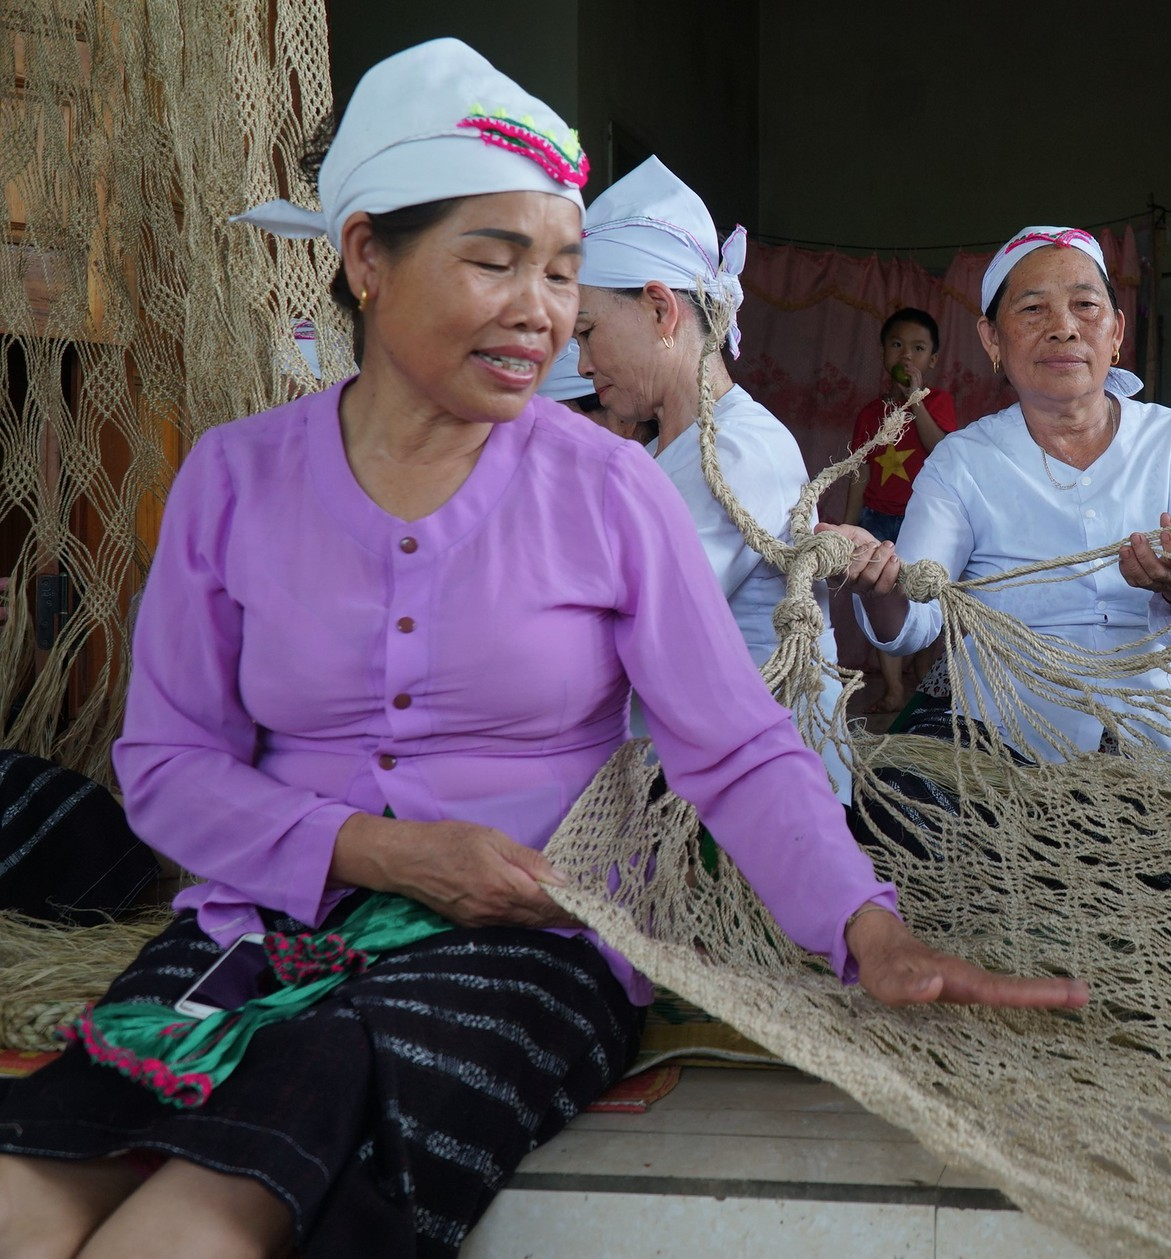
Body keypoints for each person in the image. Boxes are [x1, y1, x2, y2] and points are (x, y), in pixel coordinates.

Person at [0, 41, 1082, 1259]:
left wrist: (864, 926)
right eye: (494, 260)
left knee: (197, 1221)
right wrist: (379, 847)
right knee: (29, 1194)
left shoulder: (609, 489)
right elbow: (165, 765)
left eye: (564, 273)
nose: (543, 312)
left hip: (527, 941)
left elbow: (732, 745)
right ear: (366, 257)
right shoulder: (234, 482)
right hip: (253, 923)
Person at [822, 226, 1171, 763]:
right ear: (992, 340)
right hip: (999, 752)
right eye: (1033, 310)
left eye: (1085, 306)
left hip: (1154, 745)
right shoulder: (962, 460)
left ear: (1115, 334)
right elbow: (916, 623)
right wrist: (879, 584)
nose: (1064, 328)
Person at [572, 156, 851, 800]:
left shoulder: (740, 450)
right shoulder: (658, 454)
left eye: (588, 333)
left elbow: (637, 618)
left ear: (661, 311)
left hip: (754, 800)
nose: (582, 364)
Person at [843, 308, 959, 715]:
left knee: (922, 604)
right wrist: (850, 520)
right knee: (882, 600)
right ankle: (893, 689)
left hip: (921, 522)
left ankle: (921, 683)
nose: (906, 356)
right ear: (882, 352)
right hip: (877, 519)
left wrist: (916, 403)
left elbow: (942, 449)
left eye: (918, 348)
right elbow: (858, 471)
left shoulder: (938, 402)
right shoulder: (870, 414)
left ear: (932, 361)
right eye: (897, 345)